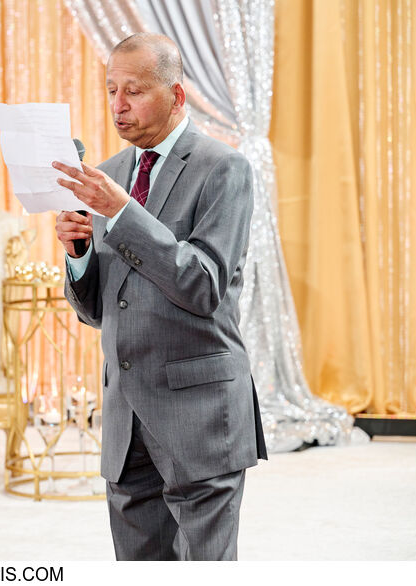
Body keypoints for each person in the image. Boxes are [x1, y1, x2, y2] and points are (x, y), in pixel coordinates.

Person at [53, 33, 266, 560]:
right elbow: (98, 311)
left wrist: (123, 214)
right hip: (126, 418)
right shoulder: (109, 174)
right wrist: (79, 252)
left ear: (176, 96)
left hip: (199, 410)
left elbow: (203, 285)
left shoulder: (223, 168)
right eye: (109, 90)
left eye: (134, 91)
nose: (117, 106)